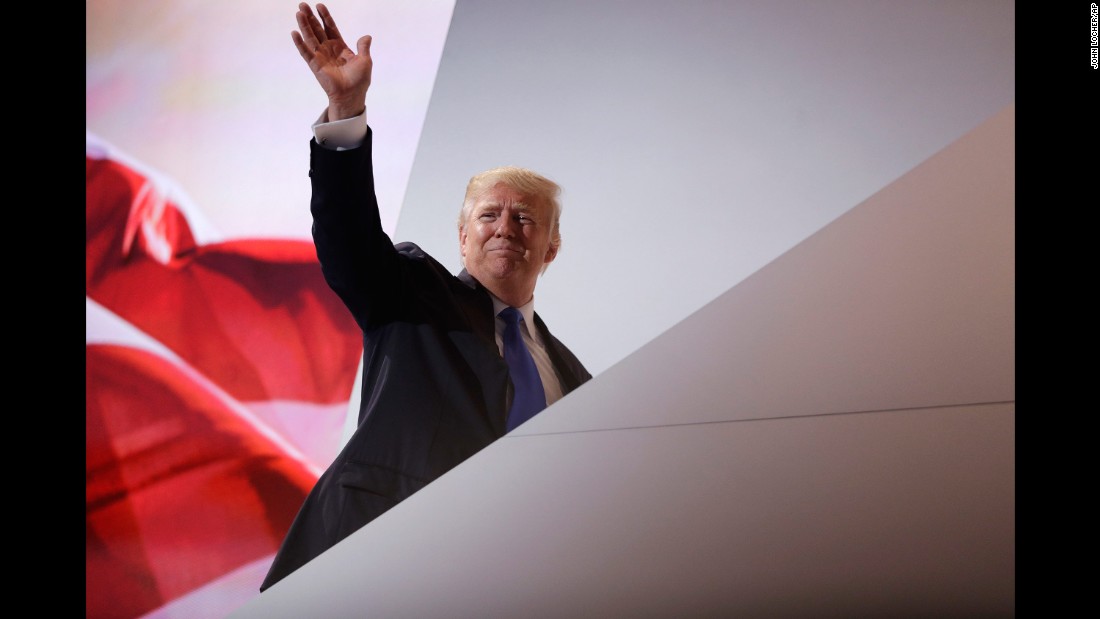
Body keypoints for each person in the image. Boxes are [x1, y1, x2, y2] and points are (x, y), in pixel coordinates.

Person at [260, 3, 592, 591]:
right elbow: (347, 238)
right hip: (373, 565)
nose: (507, 228)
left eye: (526, 219)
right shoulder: (411, 293)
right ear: (462, 237)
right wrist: (345, 112)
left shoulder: (576, 378)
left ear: (553, 246)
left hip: (507, 581)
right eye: (489, 214)